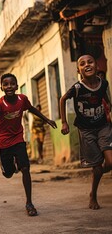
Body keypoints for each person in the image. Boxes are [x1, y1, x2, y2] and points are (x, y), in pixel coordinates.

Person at [0, 73, 57, 217]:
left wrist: (47, 119)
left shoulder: (22, 99)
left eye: (12, 84)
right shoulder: (0, 104)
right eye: (5, 84)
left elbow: (32, 109)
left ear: (17, 86)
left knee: (25, 168)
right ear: (1, 88)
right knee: (8, 173)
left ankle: (29, 203)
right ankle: (12, 165)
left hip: (18, 139)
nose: (9, 87)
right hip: (3, 143)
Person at [60, 54, 112, 210]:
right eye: (82, 64)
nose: (87, 65)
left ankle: (98, 171)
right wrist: (64, 122)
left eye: (90, 62)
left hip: (103, 126)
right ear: (78, 70)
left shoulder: (104, 83)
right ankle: (93, 195)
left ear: (97, 66)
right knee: (96, 167)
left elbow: (106, 98)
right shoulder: (77, 88)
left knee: (110, 161)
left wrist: (109, 111)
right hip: (86, 130)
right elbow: (62, 99)